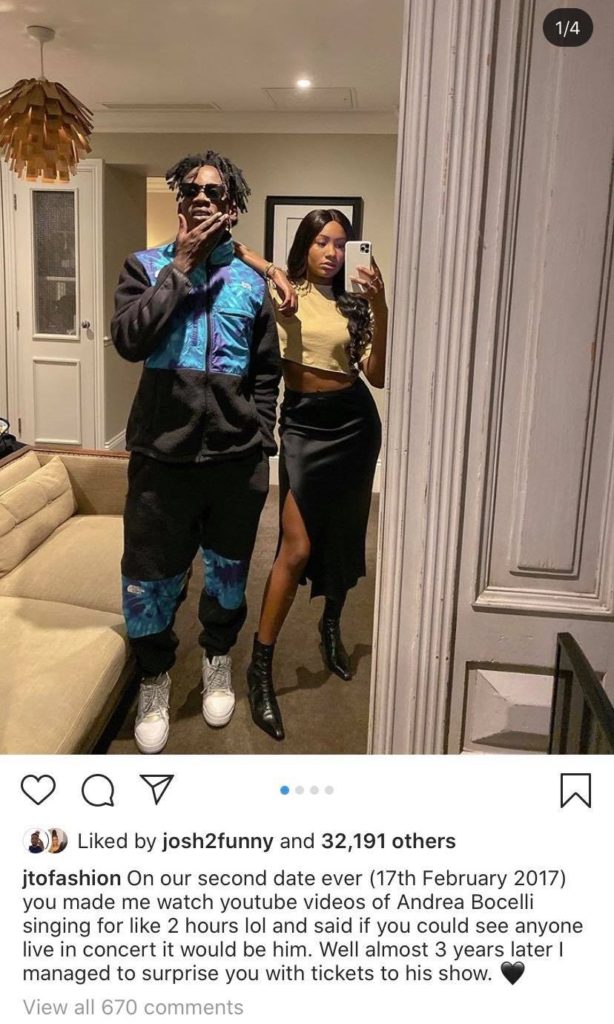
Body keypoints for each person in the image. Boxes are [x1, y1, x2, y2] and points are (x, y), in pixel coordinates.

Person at [112, 150, 283, 754]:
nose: (203, 197)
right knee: (149, 578)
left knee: (229, 573)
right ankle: (154, 676)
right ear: (180, 201)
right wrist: (180, 266)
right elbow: (129, 340)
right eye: (192, 190)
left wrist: (262, 436)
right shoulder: (144, 266)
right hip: (161, 459)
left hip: (236, 463)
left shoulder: (250, 284)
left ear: (232, 208)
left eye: (215, 191)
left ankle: (217, 657)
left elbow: (266, 371)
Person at [245, 209, 388, 740]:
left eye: (341, 244)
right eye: (322, 241)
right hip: (304, 425)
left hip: (355, 424)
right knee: (297, 547)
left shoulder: (355, 304)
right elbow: (231, 248)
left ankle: (331, 626)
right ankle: (260, 666)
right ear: (305, 245)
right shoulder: (282, 291)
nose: (332, 252)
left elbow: (376, 375)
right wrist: (271, 269)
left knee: (346, 532)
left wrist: (380, 304)